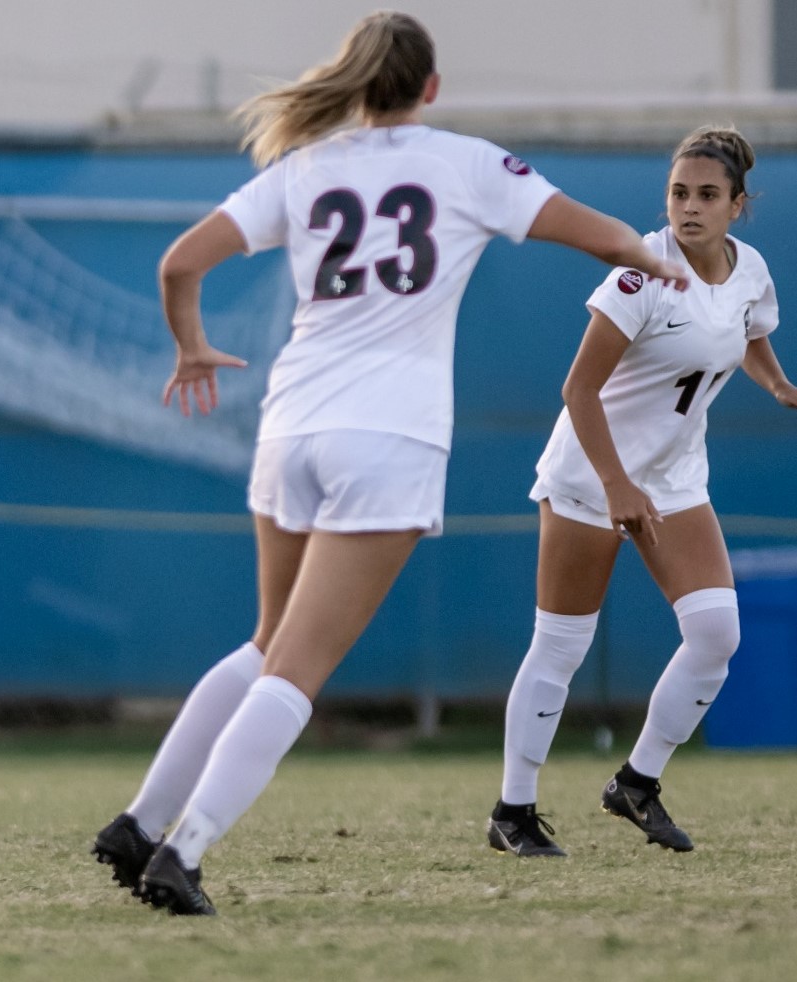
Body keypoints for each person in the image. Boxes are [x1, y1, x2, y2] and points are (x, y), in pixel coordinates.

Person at [89, 10, 690, 916]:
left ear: (355, 84)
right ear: (430, 90)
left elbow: (181, 264)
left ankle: (139, 824)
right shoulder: (464, 162)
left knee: (264, 646)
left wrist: (192, 350)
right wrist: (662, 264)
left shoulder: (303, 169)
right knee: (295, 668)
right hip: (388, 436)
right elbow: (607, 239)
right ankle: (185, 852)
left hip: (289, 424)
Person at [487, 126, 793, 858]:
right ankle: (512, 811)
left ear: (737, 206)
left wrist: (777, 382)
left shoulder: (748, 269)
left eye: (707, 196)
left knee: (717, 634)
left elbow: (746, 332)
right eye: (678, 193)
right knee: (561, 646)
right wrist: (614, 484)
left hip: (674, 476)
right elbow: (578, 388)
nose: (689, 208)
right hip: (591, 475)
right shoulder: (639, 274)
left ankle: (634, 782)